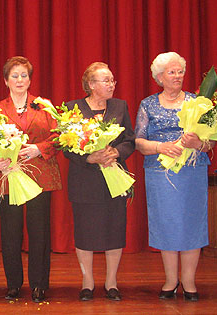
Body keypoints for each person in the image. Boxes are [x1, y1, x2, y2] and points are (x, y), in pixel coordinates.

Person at [135, 52, 213, 302]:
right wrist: (160, 147)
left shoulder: (197, 102)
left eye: (180, 71)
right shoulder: (148, 104)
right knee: (166, 224)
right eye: (172, 72)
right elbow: (138, 141)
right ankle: (170, 280)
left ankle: (189, 281)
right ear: (160, 77)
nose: (178, 76)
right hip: (160, 171)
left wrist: (198, 142)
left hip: (192, 170)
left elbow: (210, 143)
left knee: (191, 223)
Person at [0, 56, 61, 303]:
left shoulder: (45, 106)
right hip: (8, 176)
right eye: (14, 75)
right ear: (6, 80)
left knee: (39, 232)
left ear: (30, 79)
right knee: (10, 233)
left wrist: (39, 148)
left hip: (40, 176)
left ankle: (39, 284)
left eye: (24, 75)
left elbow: (60, 137)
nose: (19, 80)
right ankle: (13, 284)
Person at [63, 62, 135, 301]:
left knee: (115, 230)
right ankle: (87, 282)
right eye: (106, 80)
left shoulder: (120, 106)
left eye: (112, 80)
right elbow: (65, 145)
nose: (112, 84)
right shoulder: (73, 107)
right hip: (85, 180)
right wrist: (89, 157)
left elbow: (129, 140)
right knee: (85, 232)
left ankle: (111, 282)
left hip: (114, 178)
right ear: (91, 85)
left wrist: (116, 153)